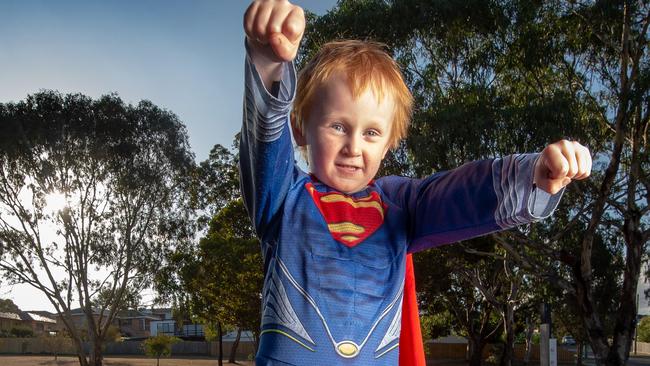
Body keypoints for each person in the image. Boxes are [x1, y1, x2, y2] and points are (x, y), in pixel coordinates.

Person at [239, 1, 592, 365]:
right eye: (338, 126)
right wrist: (269, 63)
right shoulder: (283, 196)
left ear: (389, 142)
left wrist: (534, 174)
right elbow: (264, 140)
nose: (353, 147)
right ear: (301, 129)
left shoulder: (400, 205)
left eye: (372, 132)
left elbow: (462, 195)